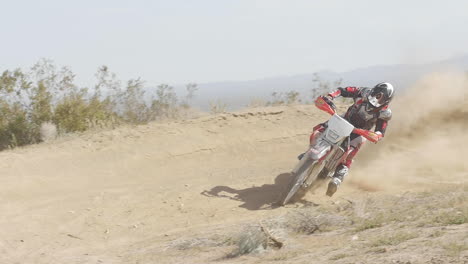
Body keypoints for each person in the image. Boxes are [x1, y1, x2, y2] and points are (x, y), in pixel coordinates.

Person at [306, 82, 394, 197]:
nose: (377, 99)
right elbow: (343, 90)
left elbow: (381, 131)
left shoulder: (384, 113)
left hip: (359, 132)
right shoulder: (363, 92)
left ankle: (337, 178)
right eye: (377, 95)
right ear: (374, 90)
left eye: (381, 98)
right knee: (319, 129)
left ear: (386, 101)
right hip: (344, 120)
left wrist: (376, 135)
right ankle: (310, 152)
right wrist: (331, 96)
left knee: (348, 153)